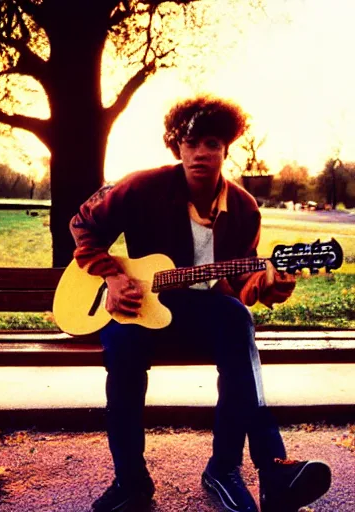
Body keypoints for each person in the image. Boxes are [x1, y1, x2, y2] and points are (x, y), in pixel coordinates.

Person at [68, 95, 332, 512]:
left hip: (202, 313)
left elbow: (242, 282)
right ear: (177, 147)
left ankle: (252, 470)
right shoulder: (142, 187)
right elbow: (84, 222)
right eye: (190, 143)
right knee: (121, 350)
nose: (200, 153)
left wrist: (270, 284)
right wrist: (112, 275)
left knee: (238, 319)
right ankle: (130, 482)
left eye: (211, 143)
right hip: (140, 308)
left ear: (226, 148)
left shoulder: (243, 208)